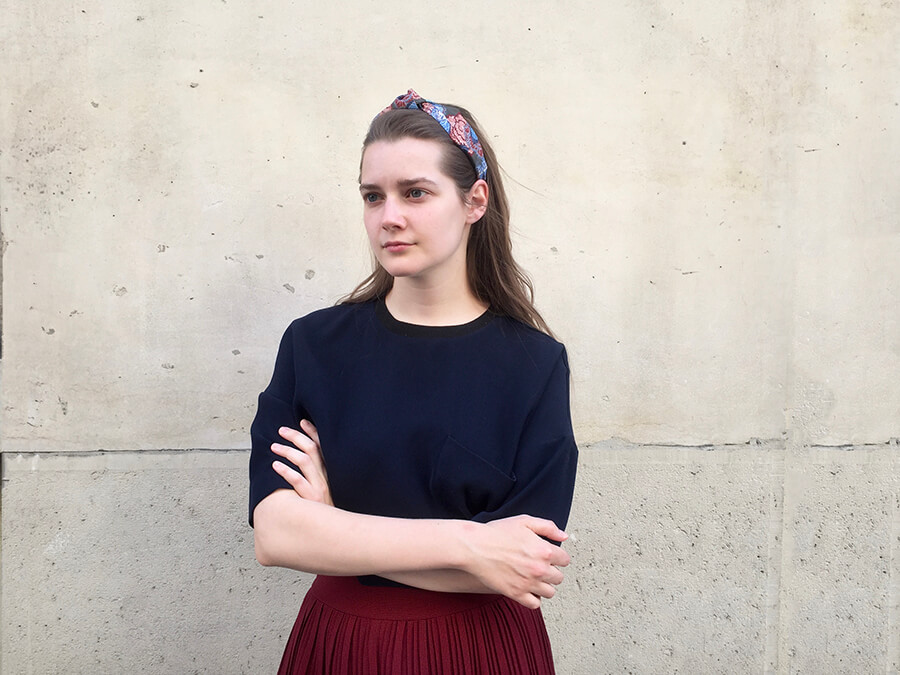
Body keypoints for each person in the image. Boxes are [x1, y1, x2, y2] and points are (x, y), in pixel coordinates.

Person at [249, 89, 578, 674]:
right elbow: (276, 535)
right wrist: (472, 546)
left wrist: (337, 529)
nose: (389, 216)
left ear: (474, 201)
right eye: (373, 196)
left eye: (415, 193)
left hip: (480, 651)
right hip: (343, 645)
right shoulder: (315, 346)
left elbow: (526, 565)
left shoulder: (533, 364)